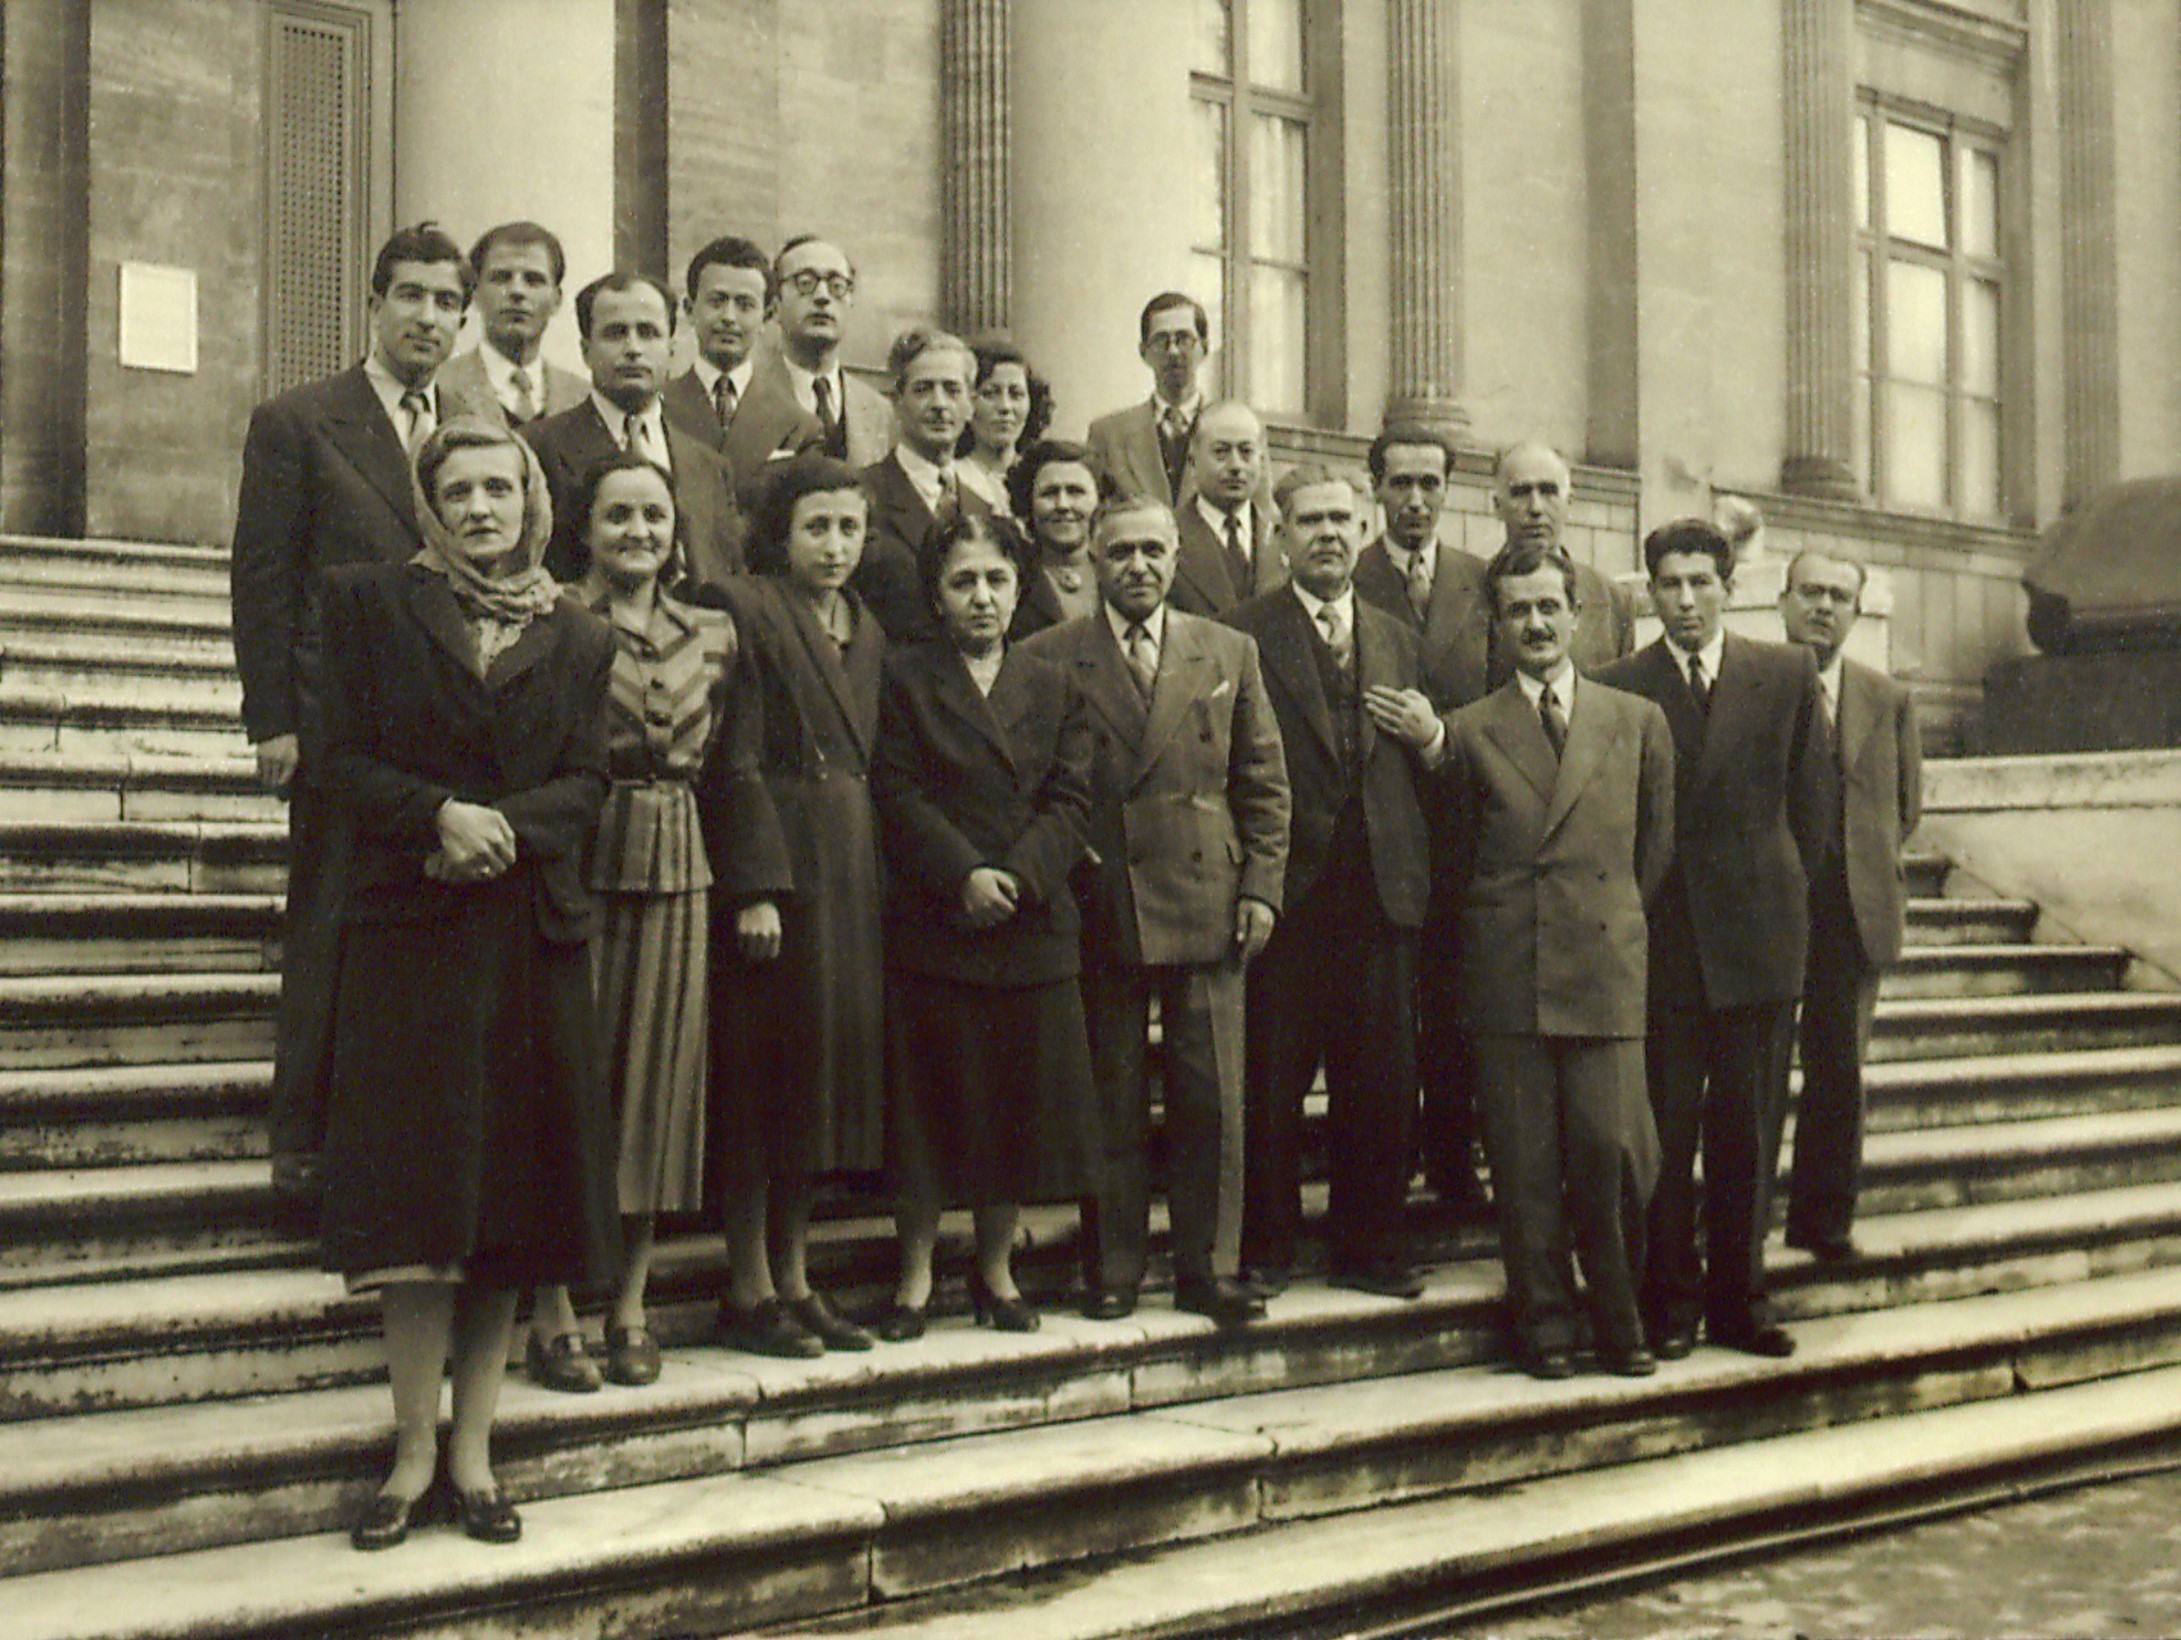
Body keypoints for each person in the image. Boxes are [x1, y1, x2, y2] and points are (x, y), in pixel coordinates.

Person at [315, 418, 618, 1549]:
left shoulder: (579, 634)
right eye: (459, 490)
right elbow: (337, 760)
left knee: (506, 1207)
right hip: (411, 933)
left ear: (532, 501)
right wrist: (437, 815)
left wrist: (505, 829)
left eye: (500, 488)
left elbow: (588, 780)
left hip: (528, 941)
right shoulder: (369, 604)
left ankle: (477, 1451)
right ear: (429, 503)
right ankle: (409, 1453)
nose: (482, 508)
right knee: (417, 1207)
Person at [522, 452, 791, 1394]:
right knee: (568, 1084)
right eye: (617, 515)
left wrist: (755, 885)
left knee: (658, 1091)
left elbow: (737, 768)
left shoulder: (713, 632)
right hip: (575, 862)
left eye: (653, 515)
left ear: (676, 530)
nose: (637, 531)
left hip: (681, 865)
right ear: (583, 528)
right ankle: (553, 1310)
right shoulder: (551, 617)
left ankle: (628, 1305)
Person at [231, 222, 483, 1207]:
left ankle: (397, 1145)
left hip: (446, 726)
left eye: (446, 302)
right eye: (410, 295)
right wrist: (272, 721)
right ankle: (303, 1146)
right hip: (338, 724)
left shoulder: (474, 431)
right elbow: (262, 579)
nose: (428, 316)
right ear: (374, 304)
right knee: (329, 925)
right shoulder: (300, 422)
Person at [1021, 494, 1289, 1327]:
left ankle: (1210, 1267)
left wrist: (1260, 889)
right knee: (1111, 1093)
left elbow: (1263, 784)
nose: (1136, 566)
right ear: (1092, 560)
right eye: (1119, 552)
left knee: (1212, 1095)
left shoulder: (1228, 649)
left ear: (1175, 557)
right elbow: (1034, 787)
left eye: (1151, 550)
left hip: (1209, 898)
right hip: (1102, 897)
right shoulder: (1049, 654)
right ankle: (1113, 1267)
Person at [1598, 519, 1832, 1361]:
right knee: (1664, 1133)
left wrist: (1775, 902)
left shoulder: (1786, 673)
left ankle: (1741, 1299)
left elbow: (1813, 812)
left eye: (1701, 582)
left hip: (1757, 942)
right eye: (1669, 584)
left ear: (1729, 589)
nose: (1686, 601)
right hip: (1661, 944)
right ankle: (1670, 1299)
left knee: (1749, 1132)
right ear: (1649, 594)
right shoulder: (1619, 684)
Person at [1440, 543, 1675, 1379]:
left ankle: (1619, 1318)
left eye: (1548, 607)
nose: (1535, 624)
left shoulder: (1635, 720)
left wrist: (1606, 920)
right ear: (1496, 625)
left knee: (1615, 1153)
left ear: (1577, 616)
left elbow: (1653, 850)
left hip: (1604, 961)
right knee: (1524, 1162)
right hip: (1510, 968)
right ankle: (1543, 1326)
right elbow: (1455, 858)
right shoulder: (1468, 731)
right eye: (1517, 610)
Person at [870, 513, 1100, 1337]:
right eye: (962, 581)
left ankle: (997, 1272)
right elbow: (896, 790)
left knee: (1012, 1106)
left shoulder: (1056, 683)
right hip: (939, 921)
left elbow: (1071, 799)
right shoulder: (904, 679)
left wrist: (1019, 877)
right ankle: (915, 1277)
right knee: (929, 1109)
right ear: (935, 594)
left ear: (1017, 587)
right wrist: (963, 873)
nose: (981, 597)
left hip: (1029, 924)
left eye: (996, 580)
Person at [1225, 466, 1440, 1300]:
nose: (1327, 534)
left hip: (1381, 888)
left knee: (1380, 1079)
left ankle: (1371, 1247)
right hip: (1288, 890)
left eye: (1341, 520)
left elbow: (1427, 764)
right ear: (1279, 536)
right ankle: (1267, 1249)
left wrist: (1430, 740)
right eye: (1309, 520)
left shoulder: (1396, 635)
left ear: (1361, 530)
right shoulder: (1243, 632)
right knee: (1272, 1080)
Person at [708, 453, 888, 1358]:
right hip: (780, 867)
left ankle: (797, 1276)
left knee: (821, 1084)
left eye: (849, 527)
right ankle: (746, 1286)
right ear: (781, 533)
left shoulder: (868, 626)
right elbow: (733, 758)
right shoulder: (745, 606)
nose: (834, 545)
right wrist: (755, 886)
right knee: (764, 1081)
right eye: (816, 526)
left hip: (850, 866)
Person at [1351, 425, 1495, 1215]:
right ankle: (1386, 1156)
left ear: (1448, 490)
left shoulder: (1480, 580)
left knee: (1455, 995)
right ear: (1375, 487)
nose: (1414, 500)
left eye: (1429, 484)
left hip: (1464, 814)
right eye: (1399, 483)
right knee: (1381, 1007)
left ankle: (1451, 1155)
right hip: (1374, 822)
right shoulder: (1349, 573)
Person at [1778, 549, 1921, 1263]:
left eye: (1838, 596)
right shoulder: (1753, 682)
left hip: (1849, 911)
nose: (1823, 607)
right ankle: (1738, 1223)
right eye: (1809, 592)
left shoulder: (1886, 697)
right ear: (1783, 602)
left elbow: (1905, 807)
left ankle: (1822, 1222)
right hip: (1769, 908)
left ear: (1857, 612)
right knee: (1752, 1074)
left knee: (1838, 1071)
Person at [520, 270, 745, 587]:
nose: (633, 348)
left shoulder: (709, 465)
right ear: (586, 350)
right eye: (615, 334)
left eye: (648, 333)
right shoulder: (536, 448)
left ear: (671, 348)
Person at [857, 326, 990, 644]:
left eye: (952, 390)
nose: (939, 404)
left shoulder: (981, 508)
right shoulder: (863, 494)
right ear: (896, 401)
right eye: (923, 389)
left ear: (971, 405)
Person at [662, 234, 824, 493]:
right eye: (716, 301)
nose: (729, 317)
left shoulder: (799, 424)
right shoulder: (658, 407)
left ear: (767, 316)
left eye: (745, 305)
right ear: (690, 310)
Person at [745, 234, 895, 467]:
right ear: (774, 304)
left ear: (850, 301)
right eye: (805, 283)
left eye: (837, 286)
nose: (823, 297)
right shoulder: (746, 396)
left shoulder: (880, 411)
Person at [1490, 441, 1637, 679]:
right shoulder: (1472, 589)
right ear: (1497, 506)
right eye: (1521, 493)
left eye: (1548, 491)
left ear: (1569, 503)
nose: (1535, 508)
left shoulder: (1613, 600)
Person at [437, 221, 587, 426]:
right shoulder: (440, 386)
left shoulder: (582, 398)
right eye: (501, 278)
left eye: (533, 280)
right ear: (475, 293)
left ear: (556, 299)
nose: (517, 291)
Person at [1085, 292, 1214, 507]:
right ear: (1143, 352)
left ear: (1205, 348)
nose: (1173, 351)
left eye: (1184, 339)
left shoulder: (1236, 432)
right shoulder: (1108, 436)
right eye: (1161, 341)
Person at [1168, 402, 1285, 617]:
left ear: (1261, 461)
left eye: (1246, 452)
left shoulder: (1283, 535)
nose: (1235, 466)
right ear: (1192, 461)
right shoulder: (1169, 536)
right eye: (1221, 452)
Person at [1005, 438, 1106, 640]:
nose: (1062, 505)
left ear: (1099, 501)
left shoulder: (1113, 572)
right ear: (1028, 502)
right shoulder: (1015, 579)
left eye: (1075, 492)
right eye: (1049, 493)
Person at [954, 338, 1052, 517]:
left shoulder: (1042, 476)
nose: (1005, 407)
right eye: (990, 394)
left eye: (1016, 394)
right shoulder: (952, 479)